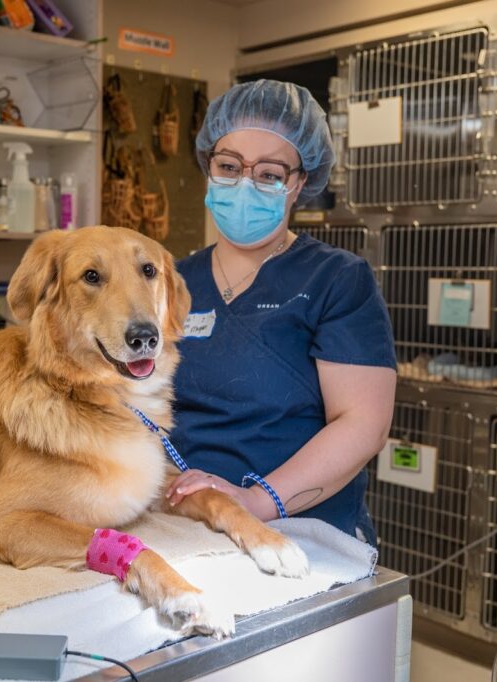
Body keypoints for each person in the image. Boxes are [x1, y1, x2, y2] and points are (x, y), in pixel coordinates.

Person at [166, 79, 397, 544]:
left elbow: (363, 424)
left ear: (299, 183)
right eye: (229, 166)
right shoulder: (173, 280)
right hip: (182, 525)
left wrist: (256, 501)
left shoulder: (336, 280)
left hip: (300, 535)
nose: (244, 184)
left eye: (269, 174)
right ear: (209, 166)